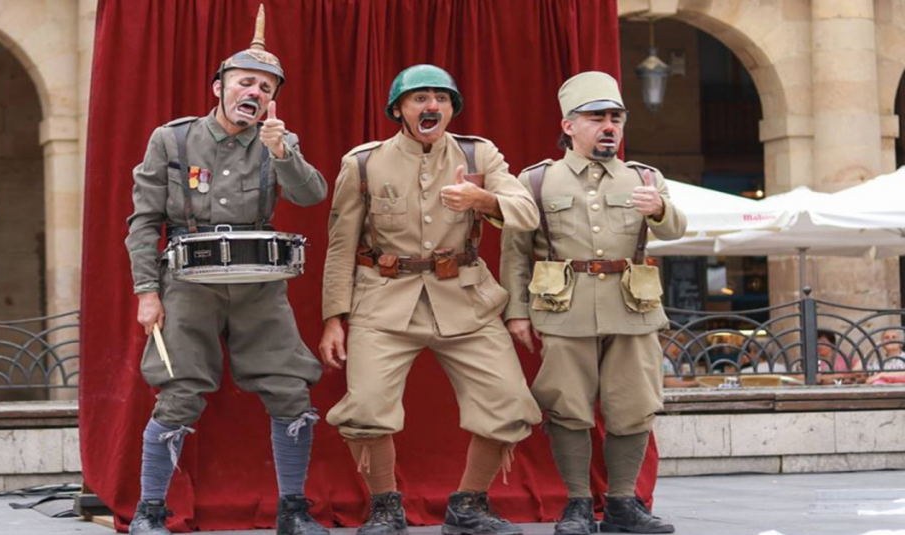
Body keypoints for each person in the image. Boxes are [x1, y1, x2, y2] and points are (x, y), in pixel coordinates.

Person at [123, 8, 328, 535]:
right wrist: (146, 290)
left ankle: (293, 511)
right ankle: (150, 511)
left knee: (290, 389)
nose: (253, 91)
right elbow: (143, 221)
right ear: (219, 87)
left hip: (259, 283)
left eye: (265, 86)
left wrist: (283, 153)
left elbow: (312, 195)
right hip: (189, 283)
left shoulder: (278, 140)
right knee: (178, 390)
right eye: (244, 81)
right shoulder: (172, 140)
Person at [318, 64, 543, 535]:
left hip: (466, 300)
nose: (432, 106)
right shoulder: (364, 163)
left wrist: (482, 200)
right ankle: (385, 507)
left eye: (441, 98)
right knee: (366, 410)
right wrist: (334, 317)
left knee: (509, 404)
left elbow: (526, 211)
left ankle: (469, 505)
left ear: (452, 108)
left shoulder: (479, 154)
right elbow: (341, 244)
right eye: (419, 98)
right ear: (398, 109)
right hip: (382, 301)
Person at [500, 71, 686, 535]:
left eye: (615, 118)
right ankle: (578, 505)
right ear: (569, 125)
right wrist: (517, 312)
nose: (609, 127)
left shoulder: (645, 177)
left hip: (633, 309)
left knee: (634, 405)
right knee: (567, 407)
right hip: (564, 309)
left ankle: (622, 503)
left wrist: (659, 209)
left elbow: (675, 230)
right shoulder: (537, 180)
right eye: (597, 118)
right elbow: (515, 253)